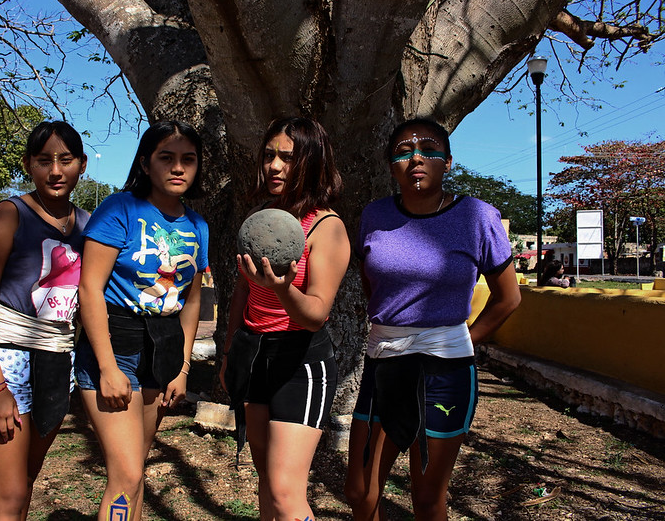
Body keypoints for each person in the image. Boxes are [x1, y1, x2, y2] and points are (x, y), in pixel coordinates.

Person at [344, 118, 522, 521]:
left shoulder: (478, 216)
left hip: (446, 372)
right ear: (391, 165)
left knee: (426, 497)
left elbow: (508, 298)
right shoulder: (374, 216)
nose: (417, 157)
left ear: (448, 162)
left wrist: (463, 341)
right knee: (360, 489)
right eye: (404, 151)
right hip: (384, 360)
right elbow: (373, 283)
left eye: (428, 149)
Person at [75, 120, 208, 521]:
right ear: (147, 163)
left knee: (136, 471)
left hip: (163, 347)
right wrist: (106, 367)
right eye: (166, 158)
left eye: (188, 159)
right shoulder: (119, 209)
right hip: (115, 343)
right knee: (127, 473)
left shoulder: (198, 225)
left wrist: (182, 366)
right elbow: (89, 290)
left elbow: (191, 300)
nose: (178, 168)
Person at [221, 117, 350, 521]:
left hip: (301, 362)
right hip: (255, 354)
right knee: (265, 483)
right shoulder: (262, 219)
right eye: (270, 155)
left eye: (288, 158)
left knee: (284, 491)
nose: (274, 166)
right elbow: (241, 293)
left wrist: (280, 288)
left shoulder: (327, 227)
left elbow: (315, 313)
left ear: (311, 162)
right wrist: (228, 355)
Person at [0, 120, 89, 520]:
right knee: (9, 495)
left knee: (26, 482)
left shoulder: (88, 225)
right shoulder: (9, 215)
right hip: (8, 361)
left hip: (57, 360)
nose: (55, 171)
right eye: (43, 160)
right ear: (28, 165)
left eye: (65, 160)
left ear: (82, 165)